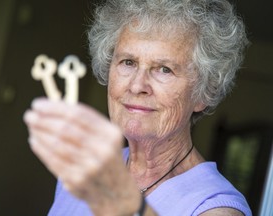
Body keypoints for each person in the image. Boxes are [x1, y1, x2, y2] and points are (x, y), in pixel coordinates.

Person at [24, 0, 252, 215]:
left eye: (164, 69)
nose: (136, 85)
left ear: (204, 92)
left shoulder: (215, 206)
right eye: (128, 62)